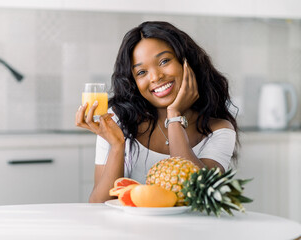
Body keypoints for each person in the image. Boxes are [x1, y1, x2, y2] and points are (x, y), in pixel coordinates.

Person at [75, 21, 238, 203]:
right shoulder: (117, 121)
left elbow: (197, 197)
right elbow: (98, 206)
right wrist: (117, 145)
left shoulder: (219, 130)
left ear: (187, 62)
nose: (155, 77)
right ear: (133, 82)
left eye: (164, 61)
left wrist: (175, 116)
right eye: (142, 72)